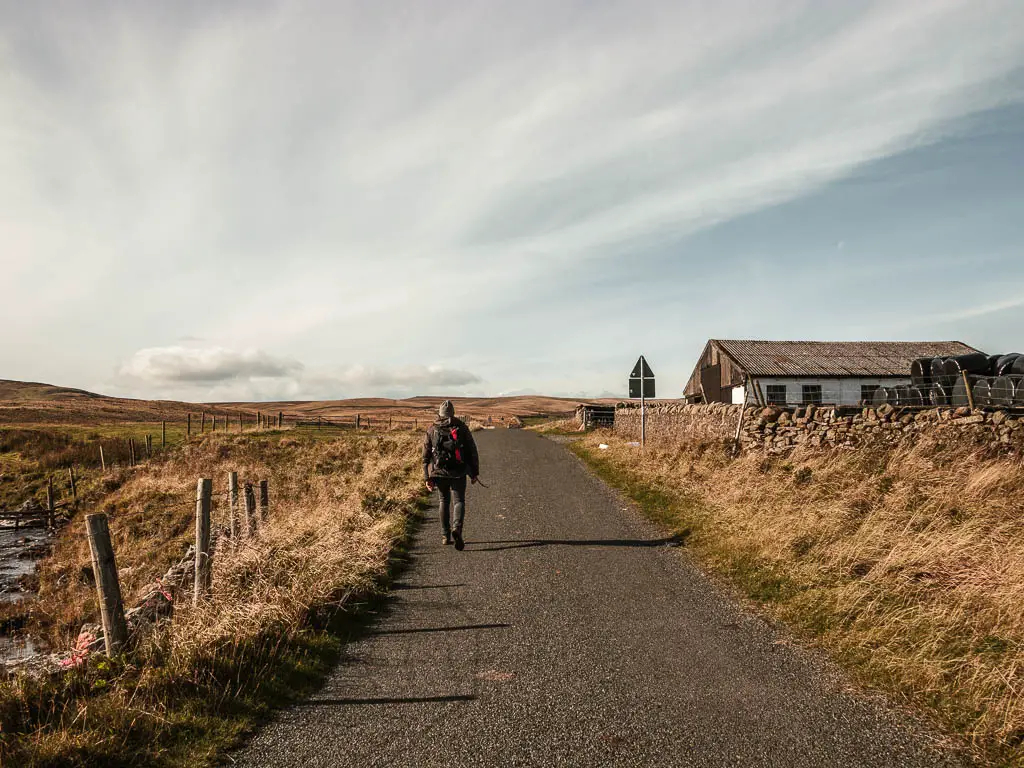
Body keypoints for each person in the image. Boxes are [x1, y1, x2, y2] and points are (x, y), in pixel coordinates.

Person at [422, 400, 479, 551]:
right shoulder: (461, 427)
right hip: (458, 471)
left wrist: (427, 478)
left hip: (439, 472)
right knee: (459, 501)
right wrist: (474, 473)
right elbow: (472, 451)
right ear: (453, 413)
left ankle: (445, 535)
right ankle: (457, 530)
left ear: (439, 414)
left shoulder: (432, 429)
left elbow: (425, 457)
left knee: (443, 500)